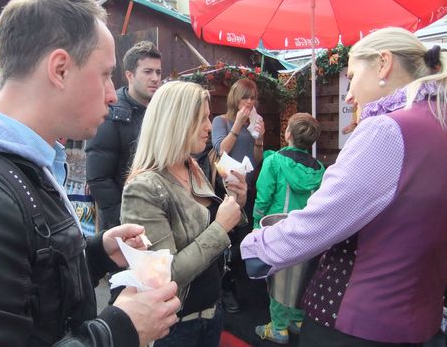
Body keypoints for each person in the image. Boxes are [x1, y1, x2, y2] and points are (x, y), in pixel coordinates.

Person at [0, 0, 180, 347]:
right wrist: (117, 331)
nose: (112, 93)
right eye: (106, 74)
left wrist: (91, 254)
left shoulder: (20, 166)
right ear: (60, 69)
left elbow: (20, 289)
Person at [241, 27, 447, 346]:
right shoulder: (439, 124)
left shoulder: (386, 130)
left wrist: (255, 247)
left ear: (383, 64)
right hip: (422, 322)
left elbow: (323, 218)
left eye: (351, 76)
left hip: (357, 323)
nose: (349, 95)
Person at [121, 80, 246, 347]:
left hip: (211, 314)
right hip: (175, 328)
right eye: (201, 119)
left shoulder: (191, 167)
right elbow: (165, 277)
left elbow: (209, 225)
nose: (209, 126)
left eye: (208, 117)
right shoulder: (144, 188)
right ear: (175, 122)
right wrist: (220, 228)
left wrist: (237, 199)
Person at [252, 112, 325, 345]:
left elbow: (263, 197)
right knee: (302, 276)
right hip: (308, 232)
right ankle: (297, 320)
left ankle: (279, 328)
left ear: (288, 134)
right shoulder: (320, 169)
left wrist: (256, 226)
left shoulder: (273, 161)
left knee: (278, 278)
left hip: (279, 229)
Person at [86, 41, 162, 231]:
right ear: (130, 75)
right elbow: (98, 178)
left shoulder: (160, 112)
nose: (155, 78)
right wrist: (124, 219)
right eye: (148, 71)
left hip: (156, 216)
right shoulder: (112, 113)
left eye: (158, 72)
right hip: (122, 226)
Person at [211, 78, 265, 312]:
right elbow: (219, 149)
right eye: (245, 96)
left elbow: (257, 160)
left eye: (253, 97)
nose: (250, 102)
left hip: (247, 189)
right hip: (224, 190)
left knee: (243, 239)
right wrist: (237, 125)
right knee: (226, 240)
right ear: (235, 97)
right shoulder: (220, 121)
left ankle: (236, 285)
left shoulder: (253, 122)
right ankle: (224, 286)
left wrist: (259, 140)